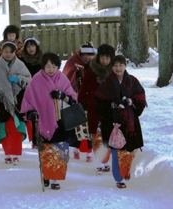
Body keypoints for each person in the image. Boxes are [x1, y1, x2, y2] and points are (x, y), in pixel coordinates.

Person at [21, 52, 77, 190]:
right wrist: (31, 113)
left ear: (58, 66)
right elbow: (29, 99)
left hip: (60, 121)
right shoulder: (36, 80)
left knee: (59, 149)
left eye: (54, 66)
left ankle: (56, 178)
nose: (51, 69)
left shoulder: (63, 79)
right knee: (46, 150)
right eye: (48, 66)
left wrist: (62, 96)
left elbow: (72, 99)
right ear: (43, 67)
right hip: (42, 120)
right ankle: (46, 174)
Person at [95, 55, 147, 189]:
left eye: (121, 65)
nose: (118, 68)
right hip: (112, 123)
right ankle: (119, 178)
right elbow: (99, 102)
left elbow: (140, 97)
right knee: (116, 151)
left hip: (130, 123)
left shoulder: (133, 81)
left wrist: (130, 102)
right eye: (115, 65)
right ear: (111, 67)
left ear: (125, 66)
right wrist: (112, 106)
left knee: (129, 151)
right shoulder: (106, 83)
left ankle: (126, 170)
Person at [0, 41, 31, 165]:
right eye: (6, 51)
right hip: (1, 105)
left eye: (11, 52)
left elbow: (29, 80)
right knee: (5, 130)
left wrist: (17, 79)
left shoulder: (20, 65)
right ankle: (8, 154)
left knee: (16, 129)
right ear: (1, 52)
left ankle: (15, 154)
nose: (9, 54)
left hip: (18, 103)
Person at [78, 44, 115, 173]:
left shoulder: (115, 70)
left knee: (108, 136)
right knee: (97, 136)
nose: (104, 61)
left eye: (107, 58)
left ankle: (104, 160)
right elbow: (84, 88)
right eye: (102, 58)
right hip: (94, 107)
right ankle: (99, 162)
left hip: (111, 109)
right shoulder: (92, 69)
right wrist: (82, 103)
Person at [62, 42, 96, 162]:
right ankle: (76, 148)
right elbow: (66, 75)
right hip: (75, 96)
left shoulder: (95, 64)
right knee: (76, 124)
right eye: (85, 56)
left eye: (90, 55)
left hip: (90, 98)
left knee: (89, 124)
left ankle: (89, 150)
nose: (87, 58)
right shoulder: (73, 62)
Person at [20, 36, 43, 149]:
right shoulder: (21, 60)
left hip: (41, 91)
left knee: (41, 116)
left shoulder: (43, 59)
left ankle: (40, 138)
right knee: (31, 116)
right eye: (28, 46)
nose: (31, 48)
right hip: (26, 91)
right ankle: (34, 140)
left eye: (33, 45)